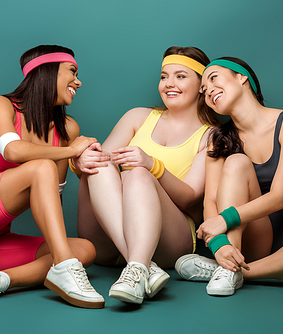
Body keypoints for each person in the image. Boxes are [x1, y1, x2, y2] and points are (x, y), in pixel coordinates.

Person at [0, 45, 105, 309]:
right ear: (47, 72)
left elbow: (53, 198)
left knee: (84, 250)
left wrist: (78, 163)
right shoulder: (2, 106)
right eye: (72, 71)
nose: (78, 82)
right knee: (43, 166)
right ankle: (65, 268)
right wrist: (71, 152)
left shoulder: (67, 128)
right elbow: (12, 151)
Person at [174, 57, 283, 296]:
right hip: (255, 237)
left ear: (242, 77)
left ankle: (234, 271)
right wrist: (220, 244)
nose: (208, 90)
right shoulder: (220, 140)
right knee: (237, 162)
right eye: (203, 90)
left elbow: (278, 197)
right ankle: (230, 263)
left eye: (213, 78)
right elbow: (210, 201)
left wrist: (225, 220)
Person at [72, 46, 219, 304]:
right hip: (107, 241)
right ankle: (141, 266)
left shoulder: (211, 135)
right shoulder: (137, 116)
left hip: (170, 241)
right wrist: (81, 160)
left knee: (138, 174)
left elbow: (191, 198)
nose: (169, 84)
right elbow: (96, 170)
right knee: (102, 162)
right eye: (164, 76)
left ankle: (139, 266)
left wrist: (153, 165)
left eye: (180, 76)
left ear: (201, 86)